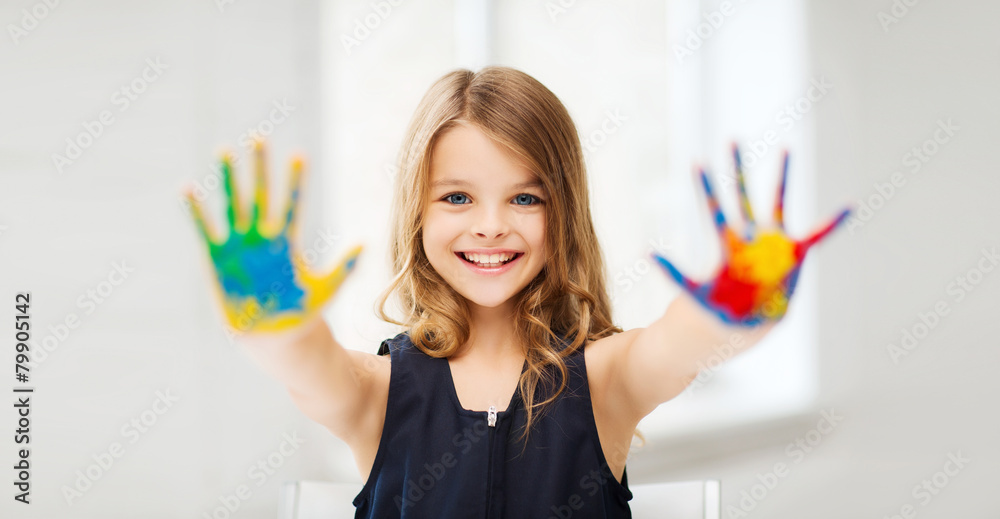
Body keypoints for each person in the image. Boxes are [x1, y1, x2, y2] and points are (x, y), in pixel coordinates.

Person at [182, 66, 850, 518]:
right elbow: (305, 365)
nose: (492, 224)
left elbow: (684, 344)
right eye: (457, 197)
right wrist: (275, 318)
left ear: (564, 212)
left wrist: (733, 303)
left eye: (525, 196)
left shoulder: (607, 378)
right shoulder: (375, 392)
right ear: (417, 212)